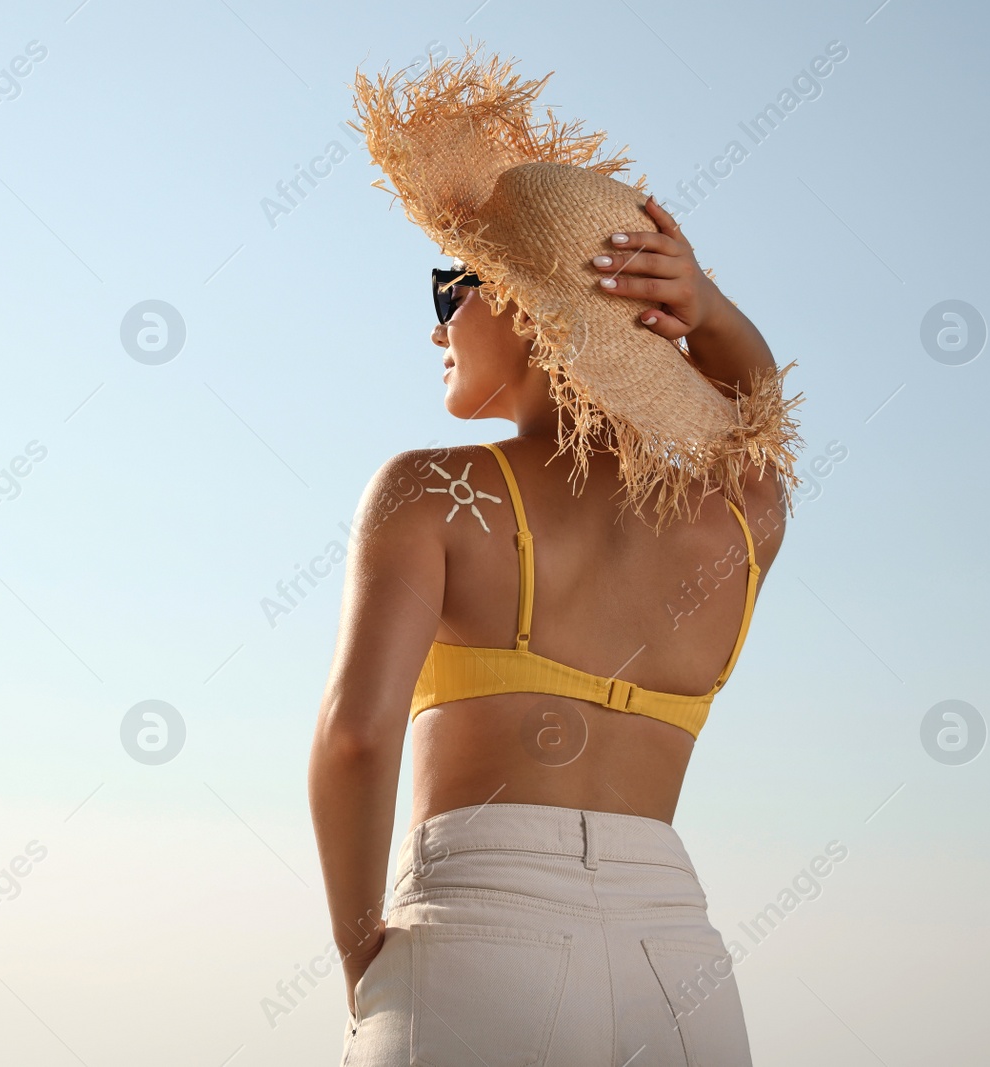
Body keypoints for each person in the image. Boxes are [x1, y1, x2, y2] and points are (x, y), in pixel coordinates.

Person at [310, 46, 802, 1067]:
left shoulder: (427, 490)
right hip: (679, 957)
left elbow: (356, 736)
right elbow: (761, 428)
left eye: (452, 286)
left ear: (528, 305)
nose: (435, 323)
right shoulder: (739, 521)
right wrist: (705, 310)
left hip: (476, 929)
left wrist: (365, 955)